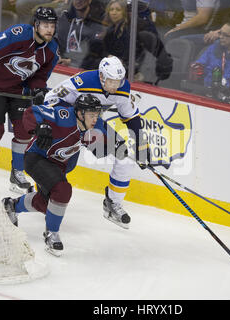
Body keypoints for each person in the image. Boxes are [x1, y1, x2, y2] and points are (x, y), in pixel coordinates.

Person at [43, 55, 150, 231]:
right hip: (68, 124)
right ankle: (43, 193)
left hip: (93, 125)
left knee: (124, 157)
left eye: (118, 81)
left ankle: (113, 203)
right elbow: (50, 98)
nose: (115, 85)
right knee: (64, 166)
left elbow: (130, 116)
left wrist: (141, 144)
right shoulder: (82, 81)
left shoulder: (123, 88)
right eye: (111, 81)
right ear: (101, 76)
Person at [2, 94, 115, 256]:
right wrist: (39, 126)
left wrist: (127, 153)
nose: (95, 119)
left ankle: (11, 205)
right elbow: (31, 112)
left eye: (97, 115)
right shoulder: (64, 115)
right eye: (91, 115)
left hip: (56, 166)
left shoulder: (94, 128)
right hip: (36, 158)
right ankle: (51, 234)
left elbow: (108, 148)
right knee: (63, 190)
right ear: (79, 114)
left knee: (46, 203)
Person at [0, 7, 59, 194]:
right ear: (36, 24)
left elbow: (40, 75)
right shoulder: (18, 34)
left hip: (19, 91)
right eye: (45, 25)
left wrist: (37, 89)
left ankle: (17, 173)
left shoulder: (52, 49)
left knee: (24, 131)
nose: (49, 29)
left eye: (52, 26)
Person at [90, 0, 172, 82]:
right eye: (111, 10)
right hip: (112, 73)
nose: (114, 13)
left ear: (125, 12)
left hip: (133, 77)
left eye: (118, 10)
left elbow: (160, 57)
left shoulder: (135, 32)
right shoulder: (110, 32)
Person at [56, 0, 105, 69]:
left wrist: (73, 61)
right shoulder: (64, 19)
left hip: (85, 71)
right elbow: (57, 42)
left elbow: (100, 58)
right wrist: (57, 56)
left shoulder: (99, 24)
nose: (78, 1)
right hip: (62, 68)